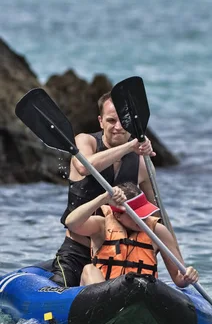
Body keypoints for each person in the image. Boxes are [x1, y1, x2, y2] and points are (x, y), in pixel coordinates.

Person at [51, 90, 156, 287]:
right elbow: (85, 166)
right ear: (101, 121)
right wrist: (130, 145)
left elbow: (154, 216)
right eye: (111, 120)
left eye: (123, 121)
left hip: (118, 255)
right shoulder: (85, 142)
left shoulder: (142, 165)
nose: (118, 127)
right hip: (77, 251)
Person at [65, 182, 199, 288]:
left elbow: (178, 278)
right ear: (117, 215)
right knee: (89, 270)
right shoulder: (101, 226)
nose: (144, 219)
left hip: (141, 296)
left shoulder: (158, 231)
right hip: (104, 295)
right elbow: (71, 223)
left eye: (146, 214)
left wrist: (187, 277)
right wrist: (103, 198)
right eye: (137, 216)